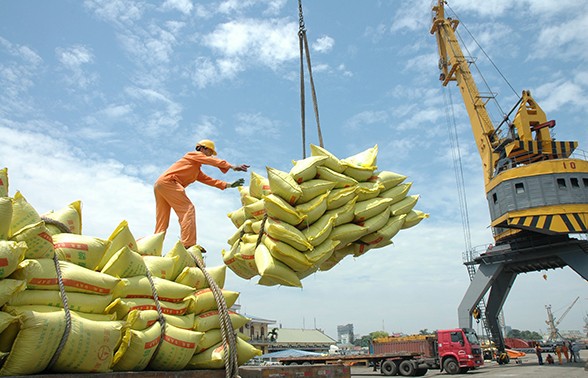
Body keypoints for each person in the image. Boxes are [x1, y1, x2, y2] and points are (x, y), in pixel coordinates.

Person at [154, 139, 249, 249]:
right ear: (202, 148)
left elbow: (210, 180)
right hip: (169, 183)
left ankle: (153, 246)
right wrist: (232, 166)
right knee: (188, 209)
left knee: (162, 220)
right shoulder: (193, 155)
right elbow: (211, 161)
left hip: (160, 185)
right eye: (210, 152)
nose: (211, 155)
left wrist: (229, 185)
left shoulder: (195, 169)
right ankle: (188, 244)